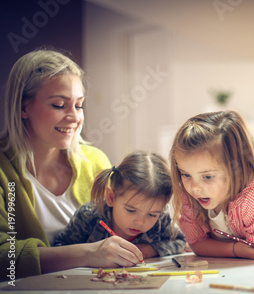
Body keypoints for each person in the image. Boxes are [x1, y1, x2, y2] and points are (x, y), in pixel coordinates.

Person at [1, 49, 127, 280]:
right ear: (23, 107)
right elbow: (3, 259)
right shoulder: (3, 173)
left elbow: (125, 228)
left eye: (78, 106)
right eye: (59, 105)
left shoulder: (95, 161)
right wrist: (89, 253)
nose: (74, 117)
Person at [170, 110, 254, 259]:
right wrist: (236, 250)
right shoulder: (190, 195)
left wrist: (225, 248)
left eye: (208, 177)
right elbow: (197, 244)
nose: (194, 187)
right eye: (186, 174)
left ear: (237, 170)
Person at [54, 151, 186, 259]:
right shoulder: (89, 215)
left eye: (152, 214)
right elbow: (59, 249)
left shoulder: (161, 218)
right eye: (131, 210)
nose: (140, 222)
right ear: (111, 197)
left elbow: (181, 241)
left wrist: (152, 249)